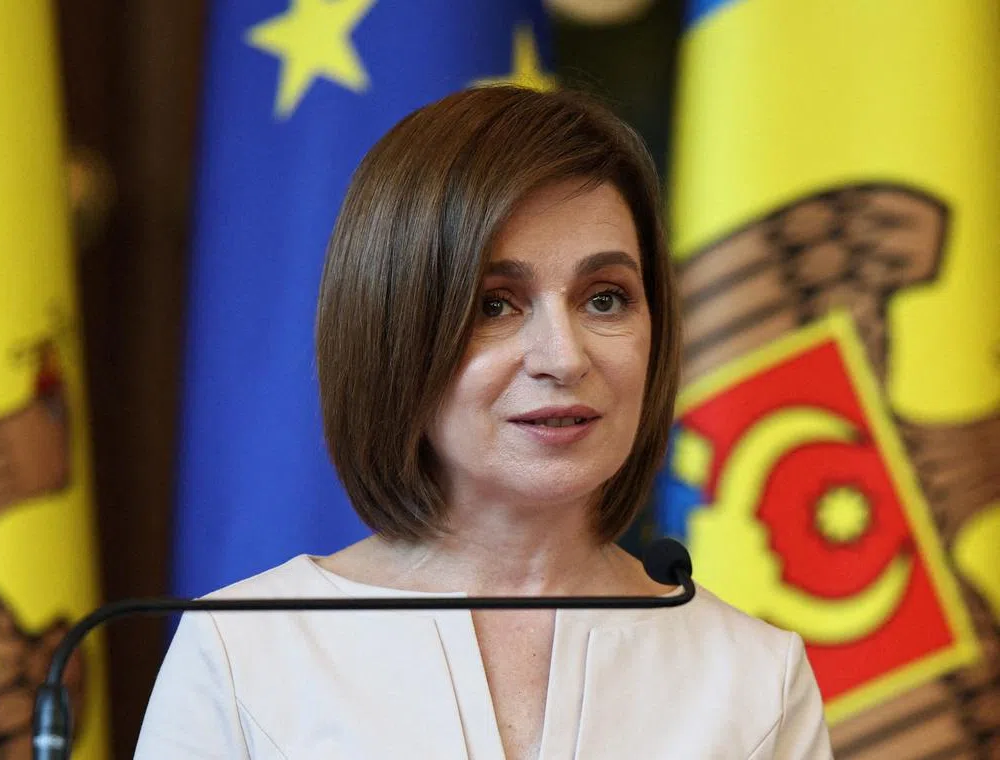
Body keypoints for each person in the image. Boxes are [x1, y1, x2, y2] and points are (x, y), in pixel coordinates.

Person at [134, 85, 832, 759]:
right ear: (394, 331)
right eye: (495, 304)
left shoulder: (753, 678)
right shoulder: (245, 652)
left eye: (606, 299)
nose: (563, 357)